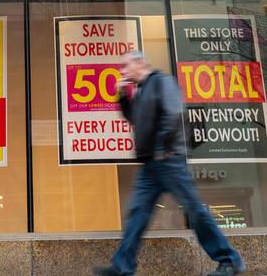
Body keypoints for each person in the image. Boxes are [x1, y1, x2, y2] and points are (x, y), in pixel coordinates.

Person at [93, 51, 245, 276]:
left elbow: (174, 113)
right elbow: (134, 118)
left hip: (169, 159)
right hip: (151, 165)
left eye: (125, 66)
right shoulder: (142, 90)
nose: (122, 71)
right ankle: (122, 267)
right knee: (137, 213)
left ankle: (230, 260)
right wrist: (122, 96)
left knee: (194, 210)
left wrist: (162, 147)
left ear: (139, 63)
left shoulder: (162, 82)